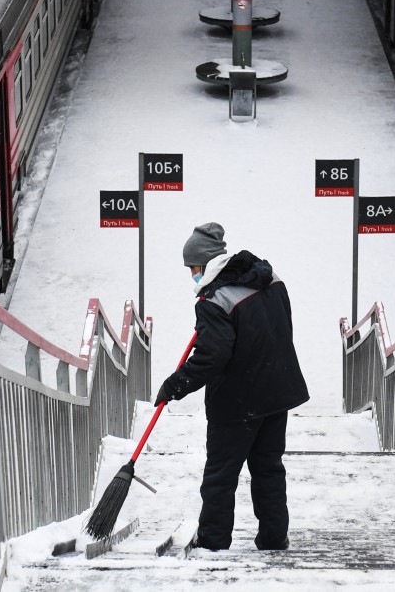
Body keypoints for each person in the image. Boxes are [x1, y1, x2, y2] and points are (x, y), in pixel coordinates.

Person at [154, 222, 310, 551]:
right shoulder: (270, 278)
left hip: (237, 401)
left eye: (192, 268)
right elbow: (282, 327)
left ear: (203, 263)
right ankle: (273, 538)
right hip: (276, 392)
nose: (192, 276)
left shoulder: (214, 300)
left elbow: (213, 355)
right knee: (268, 468)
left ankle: (213, 543)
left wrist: (174, 384)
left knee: (220, 476)